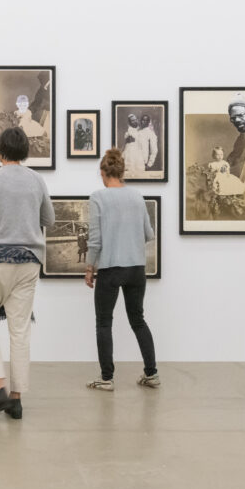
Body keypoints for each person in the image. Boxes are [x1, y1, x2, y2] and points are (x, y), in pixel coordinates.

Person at [0, 126, 54, 419]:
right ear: (25, 152)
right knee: (20, 329)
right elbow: (49, 219)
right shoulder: (37, 180)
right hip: (29, 262)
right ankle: (16, 399)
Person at [84, 148, 159, 391]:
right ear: (122, 172)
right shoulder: (137, 196)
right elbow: (149, 234)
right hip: (136, 268)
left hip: (110, 268)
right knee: (138, 320)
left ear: (103, 173)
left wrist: (89, 268)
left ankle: (107, 378)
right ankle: (152, 374)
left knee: (104, 322)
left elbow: (95, 241)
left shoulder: (98, 198)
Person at [226, 98, 245, 183]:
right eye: (233, 118)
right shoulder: (242, 136)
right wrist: (224, 164)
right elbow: (236, 152)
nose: (237, 121)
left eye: (241, 115)